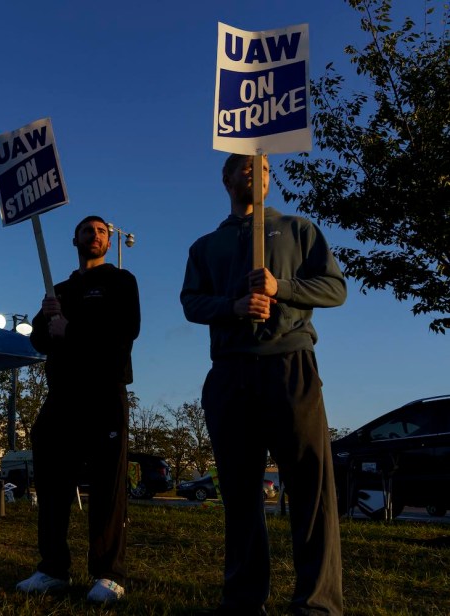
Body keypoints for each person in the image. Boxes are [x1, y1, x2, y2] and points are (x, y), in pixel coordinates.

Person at [180, 153, 346, 615]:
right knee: (239, 491)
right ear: (227, 178)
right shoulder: (206, 245)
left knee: (311, 488)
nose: (258, 172)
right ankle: (244, 598)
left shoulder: (298, 229)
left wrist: (282, 288)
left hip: (289, 366)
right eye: (248, 166)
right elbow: (191, 302)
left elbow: (335, 288)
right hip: (230, 373)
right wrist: (232, 307)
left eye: (267, 169)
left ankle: (317, 603)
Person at [16, 216, 140, 605]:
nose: (96, 235)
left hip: (104, 392)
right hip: (63, 395)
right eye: (88, 230)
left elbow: (124, 331)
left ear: (109, 240)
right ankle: (52, 568)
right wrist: (46, 316)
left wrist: (69, 330)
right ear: (75, 240)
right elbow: (39, 339)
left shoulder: (121, 281)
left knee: (107, 485)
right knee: (52, 485)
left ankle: (108, 573)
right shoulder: (62, 288)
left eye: (102, 231)